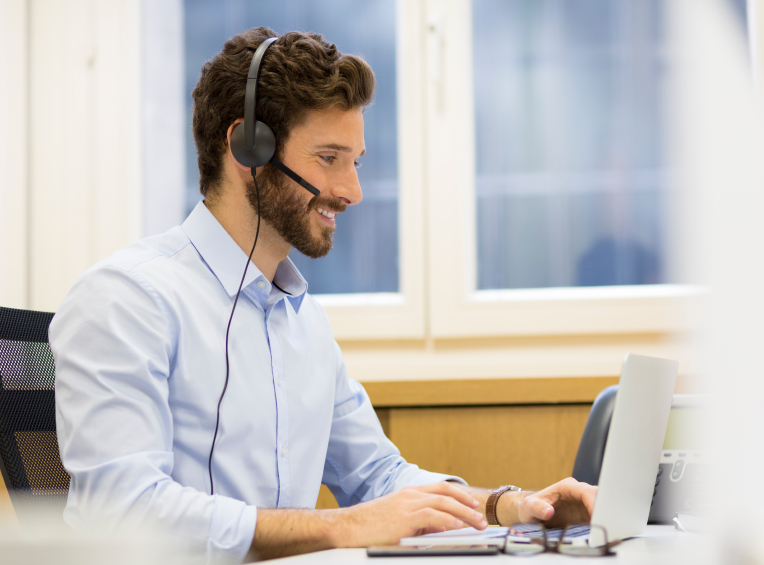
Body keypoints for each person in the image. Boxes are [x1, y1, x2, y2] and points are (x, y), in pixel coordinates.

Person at [49, 28, 596, 563]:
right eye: (329, 158)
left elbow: (378, 477)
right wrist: (344, 526)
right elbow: (122, 511)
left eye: (355, 162)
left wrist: (513, 506)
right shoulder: (127, 299)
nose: (352, 191)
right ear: (248, 149)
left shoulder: (299, 317)